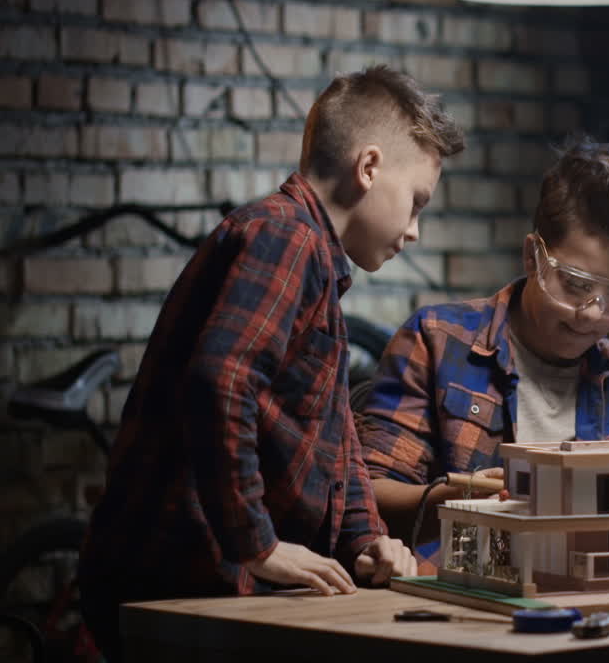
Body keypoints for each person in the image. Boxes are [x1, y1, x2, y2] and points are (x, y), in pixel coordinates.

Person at [78, 65, 464, 660]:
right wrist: (257, 544)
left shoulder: (309, 255)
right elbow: (220, 381)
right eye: (416, 202)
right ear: (368, 168)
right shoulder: (288, 238)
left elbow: (332, 434)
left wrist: (367, 538)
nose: (413, 231)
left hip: (208, 584)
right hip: (179, 583)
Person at [359, 135, 609, 563]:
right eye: (576, 285)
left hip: (599, 602)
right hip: (467, 604)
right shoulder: (437, 342)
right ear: (533, 257)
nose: (590, 314)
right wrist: (466, 500)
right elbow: (369, 495)